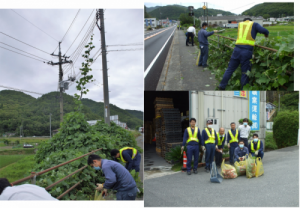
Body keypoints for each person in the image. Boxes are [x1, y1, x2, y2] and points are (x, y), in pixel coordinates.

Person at [218, 18, 270, 90]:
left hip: (236, 50)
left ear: (244, 21)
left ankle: (222, 85)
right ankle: (243, 90)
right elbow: (265, 30)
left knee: (230, 69)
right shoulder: (254, 24)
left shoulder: (240, 24)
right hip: (246, 51)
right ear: (250, 20)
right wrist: (266, 34)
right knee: (245, 73)